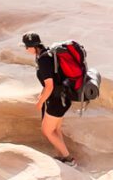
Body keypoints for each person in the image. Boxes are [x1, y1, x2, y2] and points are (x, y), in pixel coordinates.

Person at [22, 31, 76, 164]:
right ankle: (62, 157)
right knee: (55, 130)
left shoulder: (43, 60)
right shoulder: (49, 53)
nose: (25, 49)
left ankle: (69, 159)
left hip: (57, 100)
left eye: (26, 46)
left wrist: (40, 102)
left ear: (32, 46)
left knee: (47, 130)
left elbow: (49, 85)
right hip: (63, 97)